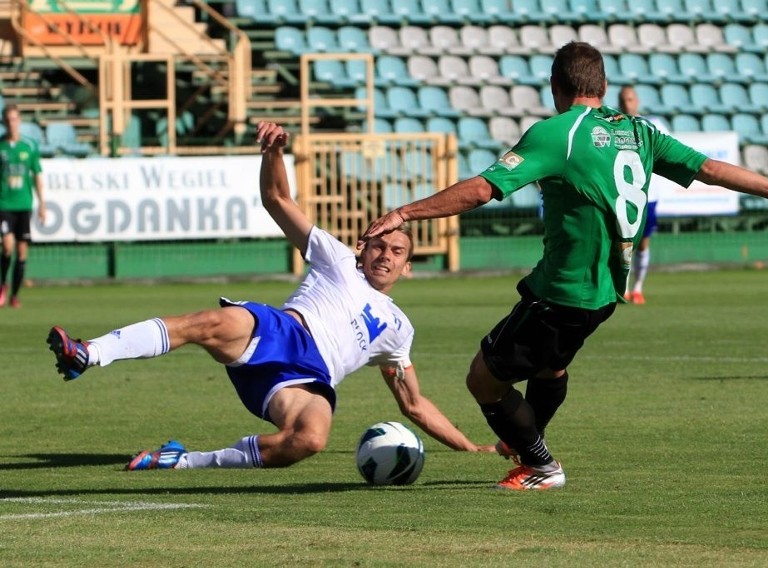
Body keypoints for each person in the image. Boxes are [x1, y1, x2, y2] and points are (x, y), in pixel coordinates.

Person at [359, 42, 768, 491]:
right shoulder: (639, 132)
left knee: (483, 379)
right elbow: (709, 169)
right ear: (603, 86)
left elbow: (483, 189)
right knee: (549, 370)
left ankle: (540, 462)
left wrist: (405, 213)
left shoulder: (559, 132)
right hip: (604, 292)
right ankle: (527, 440)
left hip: (561, 290)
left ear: (556, 86)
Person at [47, 121, 493, 472]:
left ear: (408, 266)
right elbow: (277, 197)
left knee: (310, 439)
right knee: (212, 322)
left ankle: (182, 460)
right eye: (380, 245)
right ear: (365, 245)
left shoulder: (398, 329)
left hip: (307, 379)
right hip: (278, 332)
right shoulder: (336, 258)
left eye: (397, 252)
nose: (386, 256)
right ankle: (88, 353)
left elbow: (413, 403)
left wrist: (471, 447)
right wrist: (274, 151)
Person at [617, 85, 668, 305]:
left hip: (649, 196)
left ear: (636, 101)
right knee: (623, 243)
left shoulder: (653, 127)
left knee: (644, 243)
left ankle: (638, 287)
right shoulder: (615, 126)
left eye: (630, 99)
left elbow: (667, 154)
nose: (627, 104)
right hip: (623, 195)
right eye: (623, 100)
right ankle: (623, 288)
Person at [0, 104, 46, 308]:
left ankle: (15, 295)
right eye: (8, 119)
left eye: (14, 119)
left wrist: (42, 203)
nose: (11, 123)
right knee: (7, 246)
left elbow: (37, 175)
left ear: (19, 120)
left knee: (21, 251)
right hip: (4, 204)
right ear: (4, 122)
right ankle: (2, 284)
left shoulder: (30, 145)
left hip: (24, 204)